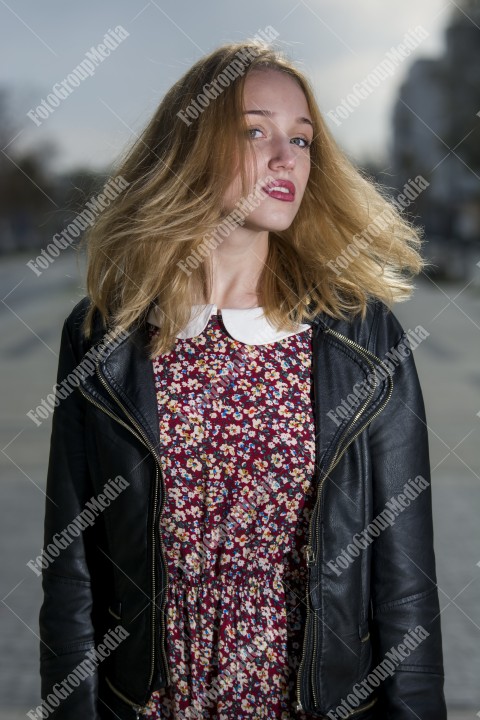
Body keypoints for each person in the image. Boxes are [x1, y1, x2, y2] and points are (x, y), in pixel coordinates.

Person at [38, 38, 447, 720]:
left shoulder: (362, 337)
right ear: (192, 145)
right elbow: (73, 574)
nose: (286, 158)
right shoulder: (103, 336)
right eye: (255, 132)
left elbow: (405, 585)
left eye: (303, 139)